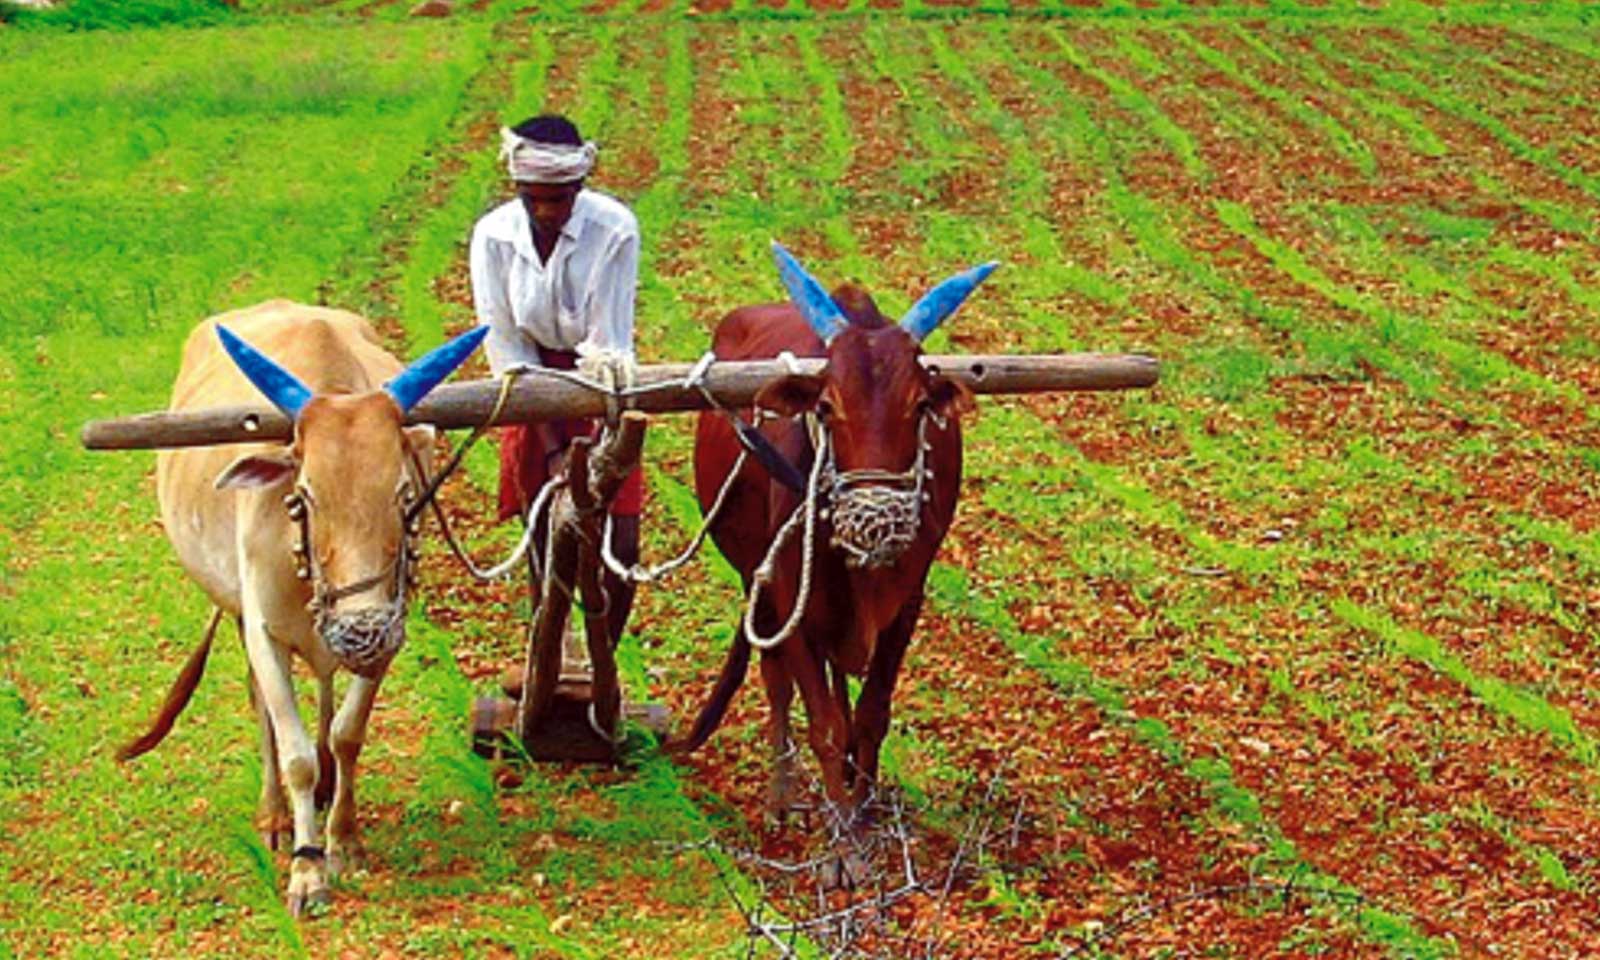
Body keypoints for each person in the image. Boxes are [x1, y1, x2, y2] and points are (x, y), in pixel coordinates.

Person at [469, 113, 642, 648]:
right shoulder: (494, 236)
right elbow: (506, 345)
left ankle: (601, 658)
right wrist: (550, 450)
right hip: (528, 385)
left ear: (580, 186)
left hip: (601, 380)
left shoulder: (614, 228)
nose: (546, 211)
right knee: (545, 524)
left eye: (560, 198)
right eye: (534, 198)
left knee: (622, 537)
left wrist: (593, 448)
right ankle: (549, 645)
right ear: (518, 189)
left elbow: (607, 341)